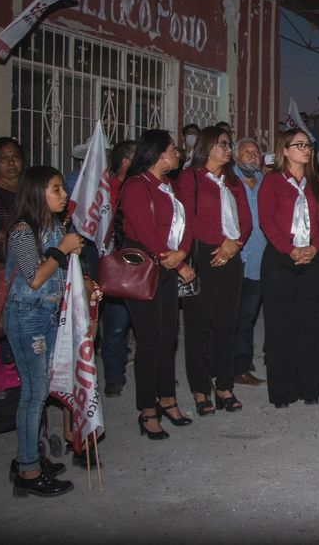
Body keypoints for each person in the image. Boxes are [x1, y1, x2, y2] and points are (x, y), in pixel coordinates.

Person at [4, 166, 83, 497]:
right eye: (56, 189)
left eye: (62, 189)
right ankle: (28, 470)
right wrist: (62, 250)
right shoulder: (23, 231)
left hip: (48, 315)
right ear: (37, 193)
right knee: (34, 394)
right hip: (26, 316)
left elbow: (58, 277)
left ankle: (29, 456)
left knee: (42, 389)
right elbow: (33, 278)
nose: (64, 195)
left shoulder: (54, 227)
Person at [119, 129, 195, 438]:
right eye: (173, 149)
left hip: (168, 266)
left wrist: (182, 252)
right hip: (145, 268)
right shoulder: (137, 187)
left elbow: (185, 223)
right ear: (159, 155)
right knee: (149, 341)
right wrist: (177, 262)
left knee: (168, 337)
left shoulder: (171, 186)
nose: (178, 154)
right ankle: (147, 409)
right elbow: (144, 231)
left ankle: (167, 398)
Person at [177, 127, 253, 415]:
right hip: (204, 256)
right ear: (206, 147)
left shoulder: (233, 181)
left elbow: (246, 219)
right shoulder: (190, 178)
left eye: (229, 144)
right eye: (222, 144)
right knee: (199, 327)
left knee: (227, 324)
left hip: (232, 256)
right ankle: (200, 388)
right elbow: (188, 217)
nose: (228, 149)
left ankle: (224, 385)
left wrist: (234, 245)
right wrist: (219, 245)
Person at [258, 128, 319, 408]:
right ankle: (282, 392)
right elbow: (267, 220)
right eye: (299, 144)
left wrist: (313, 247)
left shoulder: (317, 183)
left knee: (310, 325)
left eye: (309, 145)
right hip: (280, 261)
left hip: (313, 259)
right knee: (280, 326)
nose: (306, 149)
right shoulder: (273, 181)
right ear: (285, 150)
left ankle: (309, 389)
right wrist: (290, 250)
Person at [100, 139, 136, 398]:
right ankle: (114, 375)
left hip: (144, 261)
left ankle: (156, 373)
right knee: (116, 324)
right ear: (125, 160)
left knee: (150, 326)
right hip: (117, 260)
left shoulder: (145, 186)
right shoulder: (106, 189)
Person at [232, 137, 267, 387]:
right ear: (235, 156)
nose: (252, 156)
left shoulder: (265, 181)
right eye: (246, 152)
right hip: (236, 259)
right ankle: (235, 366)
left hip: (262, 259)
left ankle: (241, 362)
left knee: (248, 316)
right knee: (234, 317)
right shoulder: (228, 181)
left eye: (255, 152)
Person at [0, 137, 25, 260]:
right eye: (4, 159)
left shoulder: (32, 187)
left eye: (15, 157)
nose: (11, 162)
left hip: (31, 259)